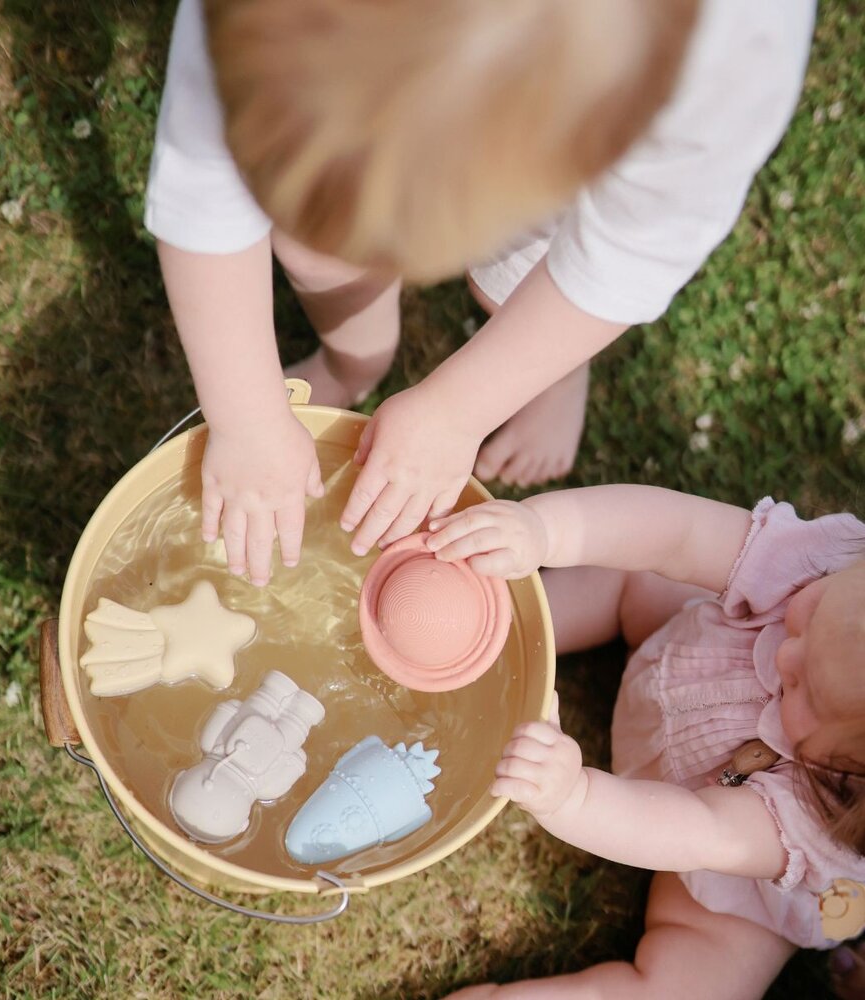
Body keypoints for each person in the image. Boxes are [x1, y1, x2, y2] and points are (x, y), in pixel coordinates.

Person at [145, 0, 815, 585]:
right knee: (313, 247)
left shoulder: (721, 70)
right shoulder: (267, 27)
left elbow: (621, 263)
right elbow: (202, 194)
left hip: (574, 167)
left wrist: (457, 413)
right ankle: (356, 360)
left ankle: (552, 372)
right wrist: (249, 420)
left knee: (530, 280)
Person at [420, 485, 865, 999]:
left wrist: (574, 797)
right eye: (813, 614)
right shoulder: (834, 561)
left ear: (844, 774)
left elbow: (700, 827)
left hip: (715, 869)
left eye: (803, 687)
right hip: (675, 649)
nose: (785, 653)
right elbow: (682, 534)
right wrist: (546, 531)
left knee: (690, 987)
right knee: (637, 570)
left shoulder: (822, 816)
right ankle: (490, 628)